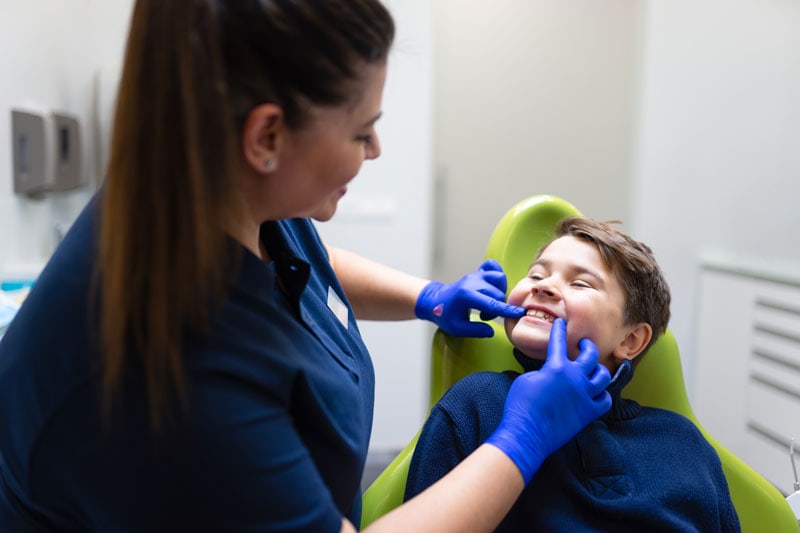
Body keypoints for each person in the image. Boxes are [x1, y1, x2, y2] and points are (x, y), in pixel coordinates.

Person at [0, 2, 614, 532]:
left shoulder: (221, 193)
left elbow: (303, 267)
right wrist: (523, 438)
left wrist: (427, 297)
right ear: (265, 138)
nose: (375, 150)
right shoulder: (180, 383)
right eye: (362, 131)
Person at [404, 216, 741, 532]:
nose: (544, 286)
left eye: (581, 283)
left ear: (630, 339)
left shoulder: (682, 442)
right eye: (536, 275)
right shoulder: (477, 404)